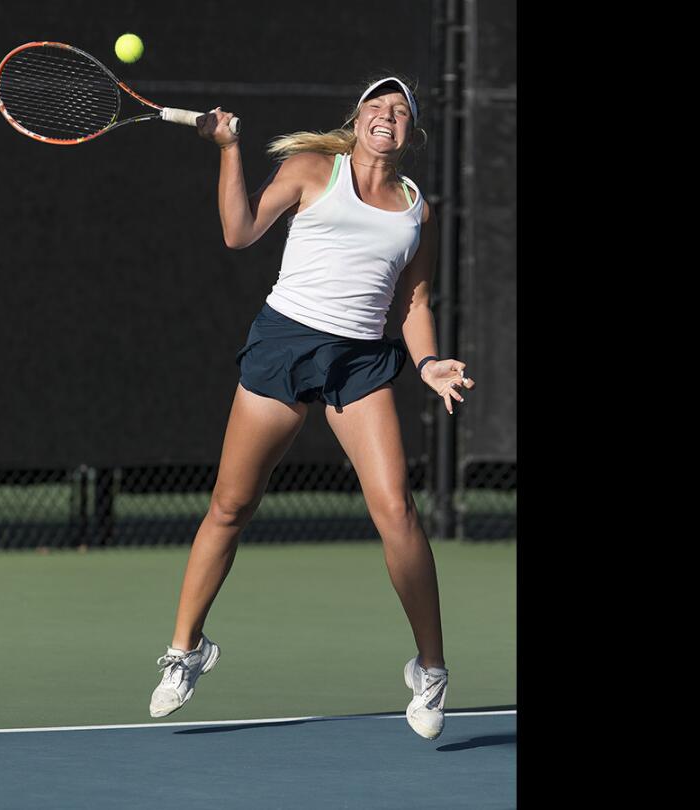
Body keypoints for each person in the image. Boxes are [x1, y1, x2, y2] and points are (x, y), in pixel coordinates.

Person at [147, 77, 474, 740]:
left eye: (400, 109)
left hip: (360, 363)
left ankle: (432, 669)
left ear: (411, 130)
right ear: (356, 118)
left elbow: (412, 303)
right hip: (285, 346)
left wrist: (428, 361)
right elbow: (239, 233)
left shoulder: (417, 208)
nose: (388, 115)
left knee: (398, 512)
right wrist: (228, 149)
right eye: (377, 105)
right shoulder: (310, 169)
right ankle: (186, 651)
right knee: (230, 506)